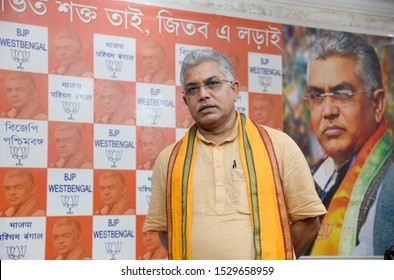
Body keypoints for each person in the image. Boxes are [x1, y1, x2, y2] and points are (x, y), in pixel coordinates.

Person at [144, 49, 326, 260]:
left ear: (234, 90)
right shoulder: (169, 159)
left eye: (213, 83)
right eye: (193, 89)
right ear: (185, 100)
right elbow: (167, 230)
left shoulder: (279, 145)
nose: (203, 95)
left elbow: (308, 221)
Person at [304, 31, 394, 256]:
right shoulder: (310, 176)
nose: (328, 111)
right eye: (316, 96)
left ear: (377, 104)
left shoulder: (390, 179)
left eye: (342, 94)